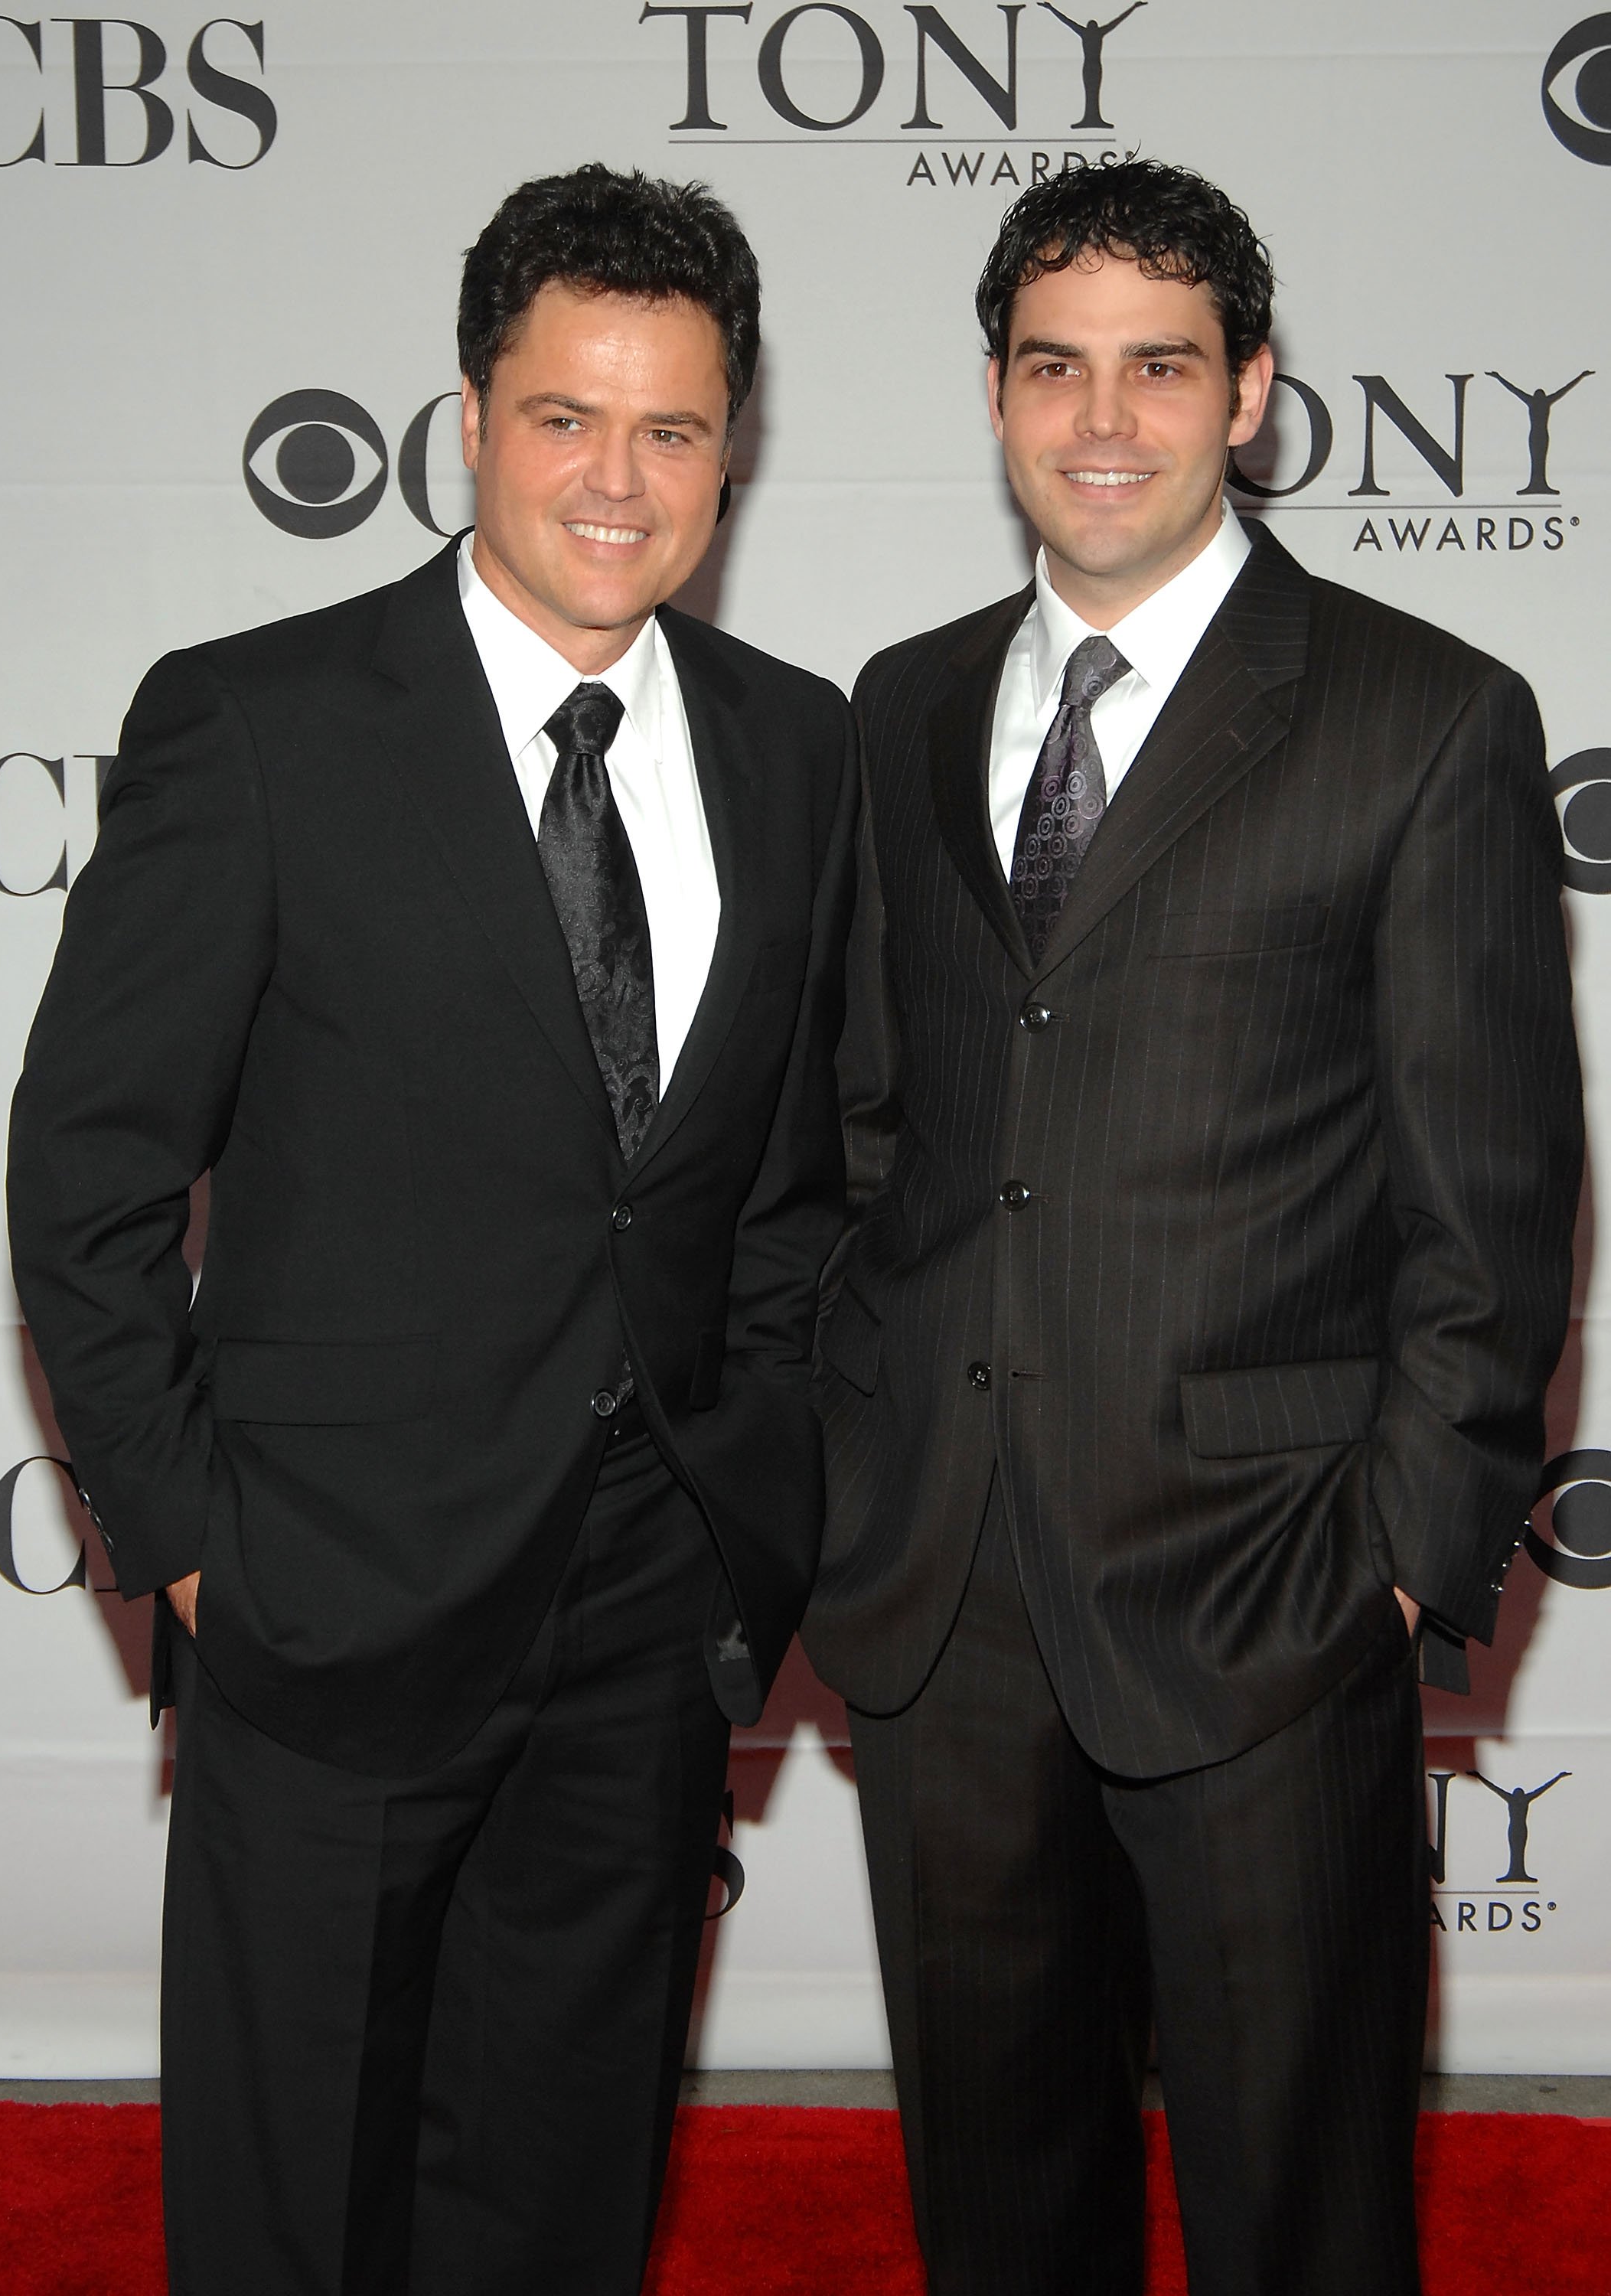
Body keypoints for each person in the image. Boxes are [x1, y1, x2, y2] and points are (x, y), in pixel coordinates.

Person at [8, 162, 856, 2296]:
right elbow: (84, 1172)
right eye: (566, 415)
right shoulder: (262, 721)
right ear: (470, 417)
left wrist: (745, 1508)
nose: (616, 476)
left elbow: (785, 1186)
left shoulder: (800, 750)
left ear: (729, 450)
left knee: (559, 2201)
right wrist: (200, 1546)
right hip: (325, 1609)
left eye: (672, 429)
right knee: (298, 2214)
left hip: (645, 1616)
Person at [804, 159, 1580, 2296]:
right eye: (1057, 367)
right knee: (999, 2202)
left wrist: (1400, 1576)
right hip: (944, 1600)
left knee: (1296, 2210)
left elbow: (1493, 1203)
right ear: (993, 393)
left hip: (1269, 1593)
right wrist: (857, 1468)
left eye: (1163, 367)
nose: (1106, 419)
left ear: (1250, 393)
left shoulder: (1424, 719)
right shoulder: (900, 704)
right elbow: (871, 1129)